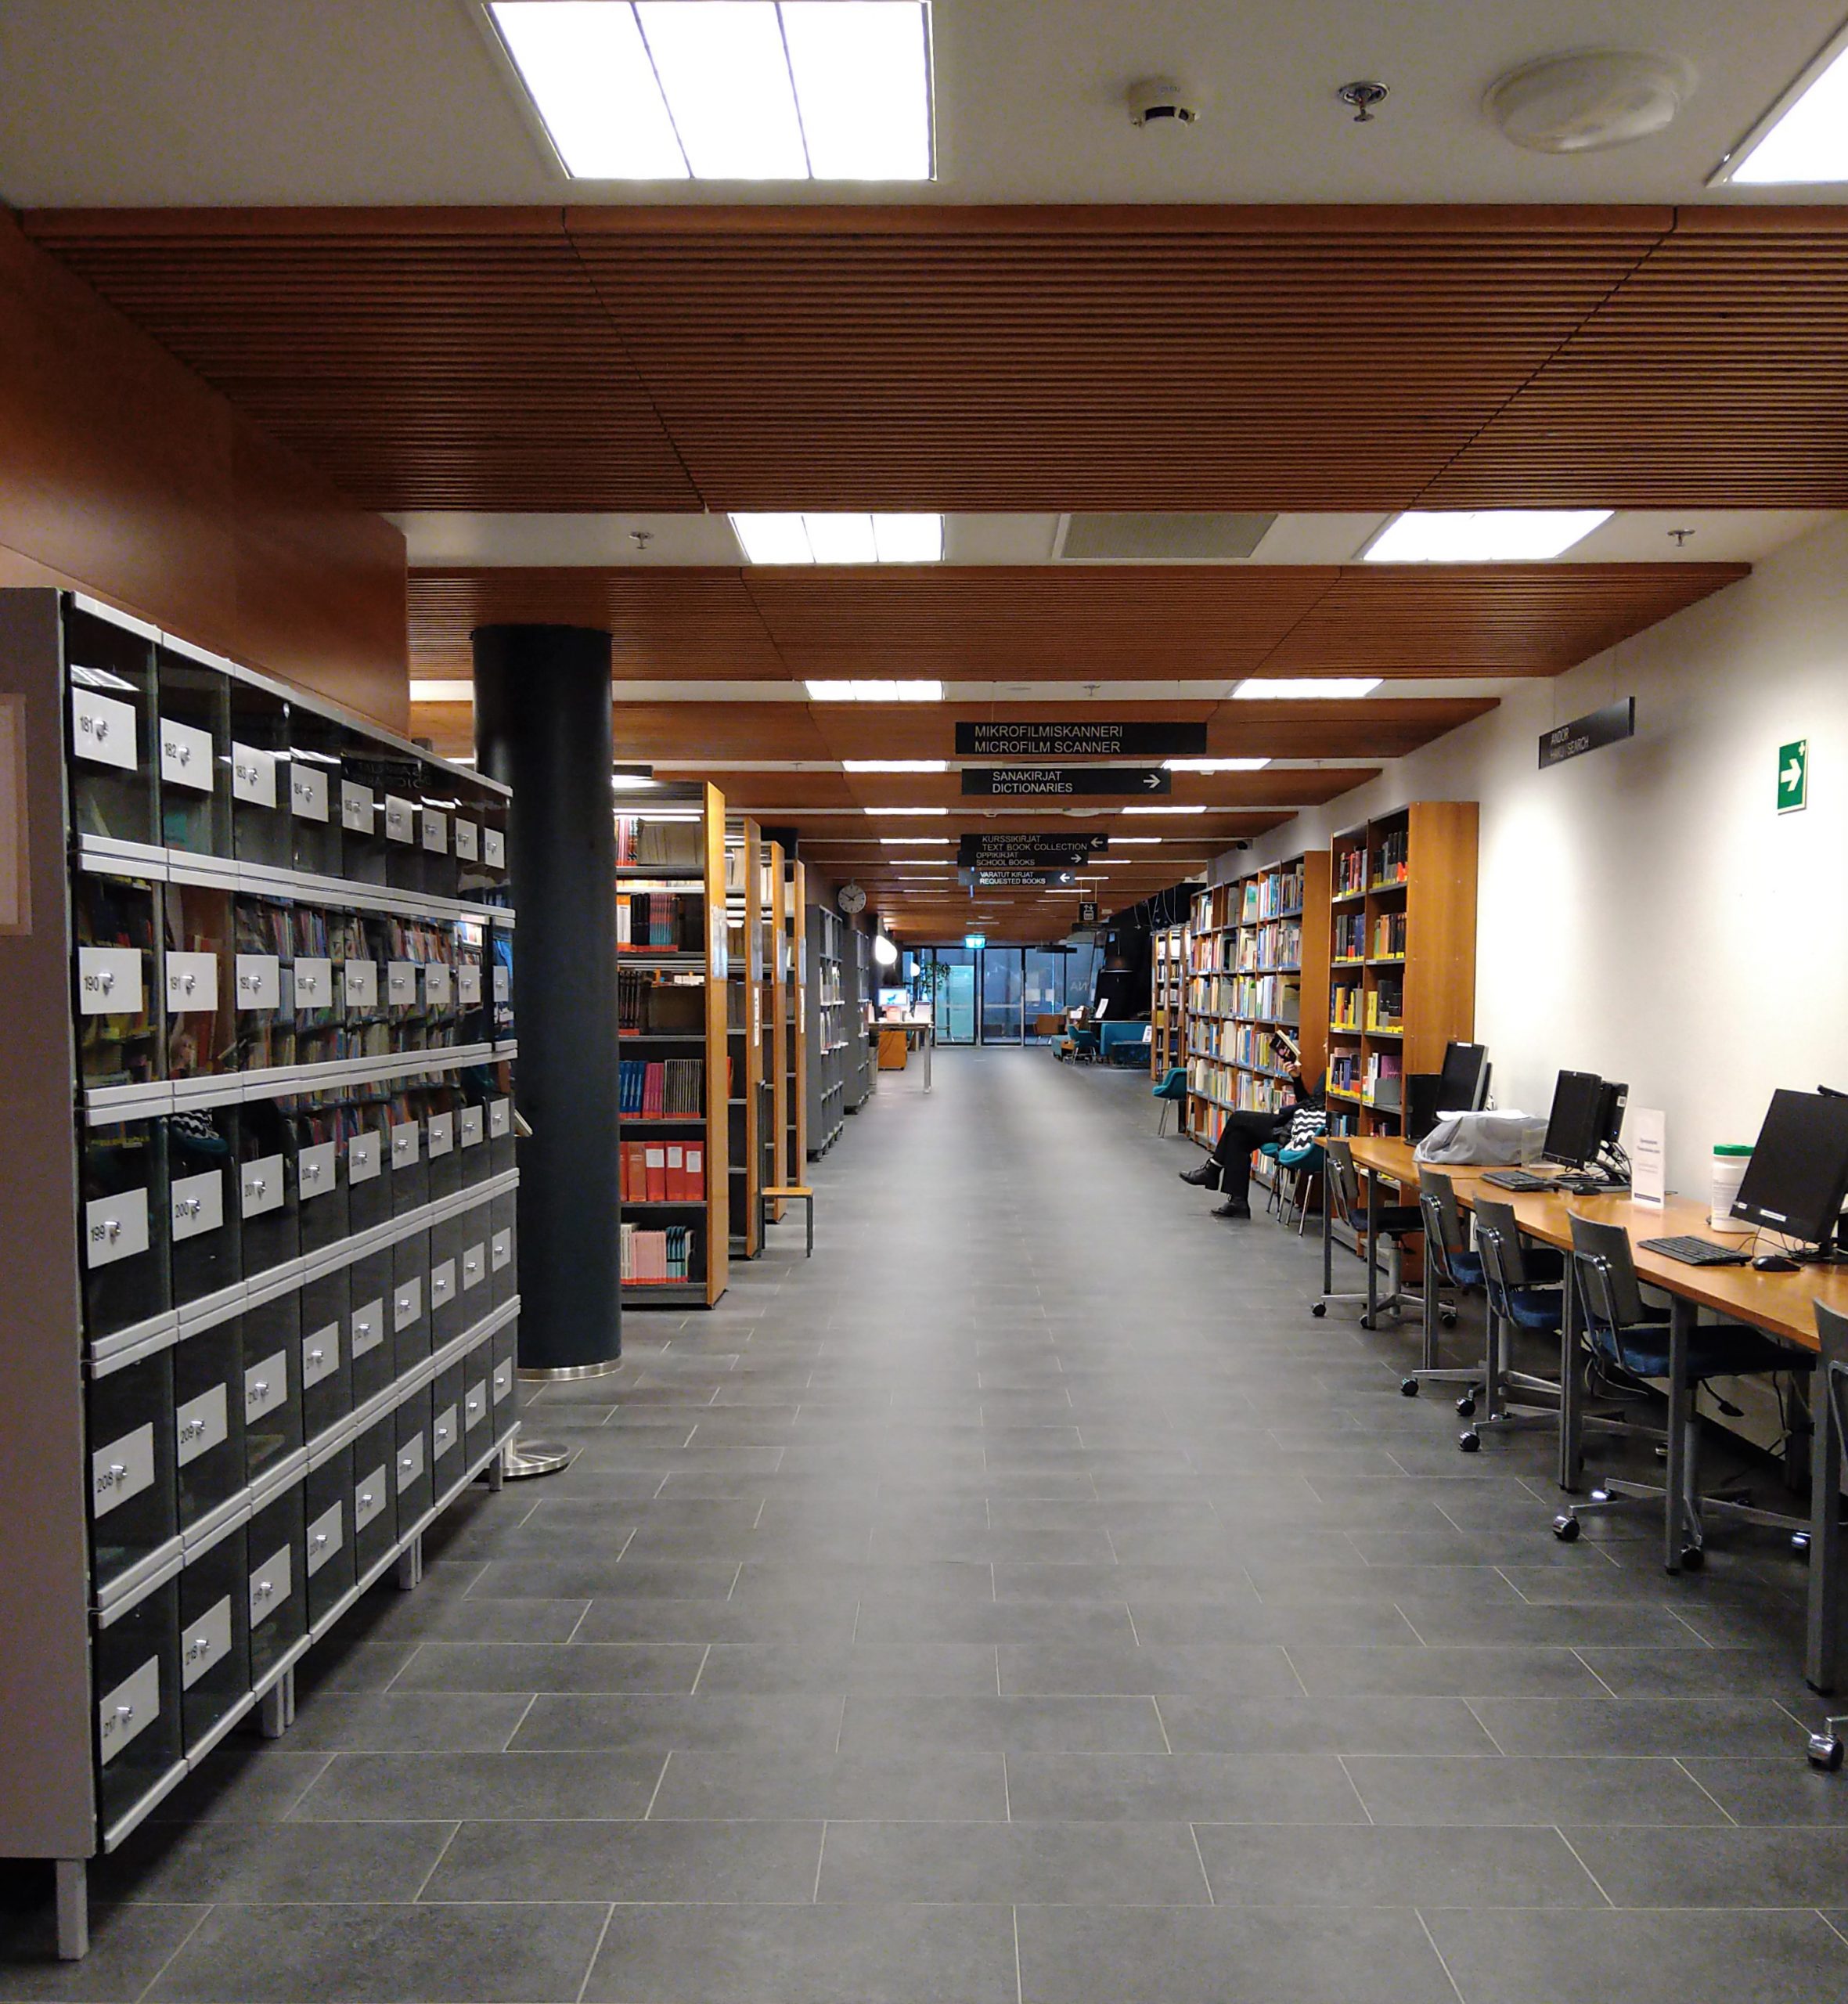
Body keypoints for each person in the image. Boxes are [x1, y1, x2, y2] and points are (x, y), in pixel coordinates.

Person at [1180, 1033, 1325, 1220]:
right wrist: (1297, 1079)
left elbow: (1312, 1111)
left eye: (1327, 1042)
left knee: (1238, 1119)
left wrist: (1286, 1110)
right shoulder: (1327, 1073)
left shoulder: (1334, 1075)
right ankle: (1237, 1201)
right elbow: (1309, 1105)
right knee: (1239, 1137)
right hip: (1295, 1123)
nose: (1324, 1046)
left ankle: (1213, 1170)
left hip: (1299, 1131)